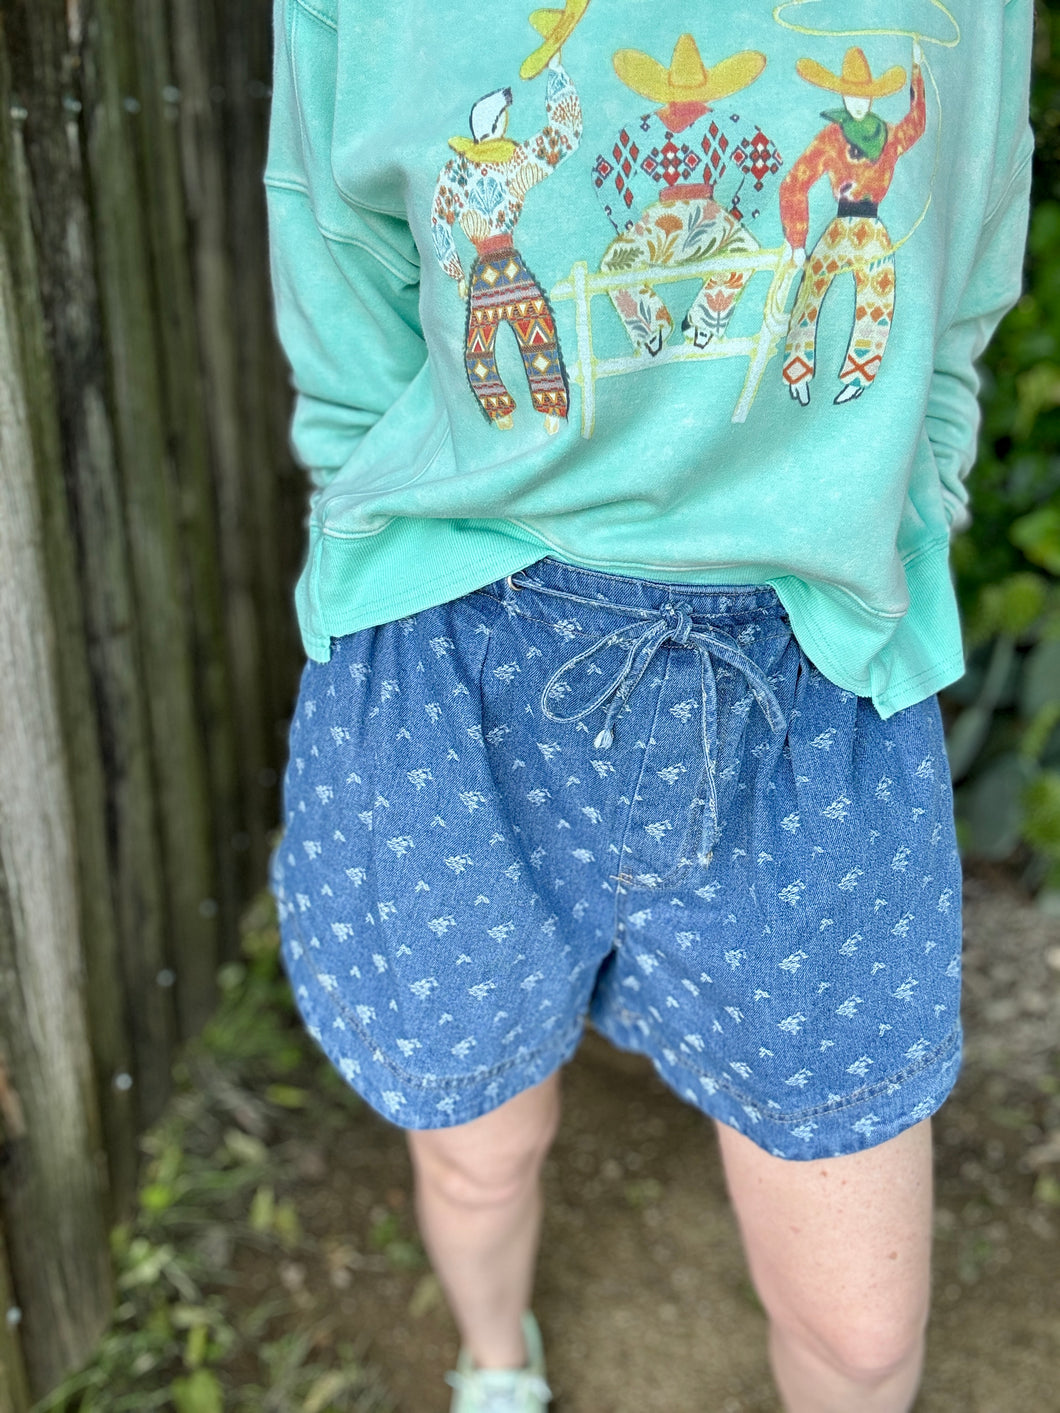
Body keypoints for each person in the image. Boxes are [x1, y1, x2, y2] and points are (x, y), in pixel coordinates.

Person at [263, 1, 1034, 1409]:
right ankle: (496, 1364)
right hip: (463, 662)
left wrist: (907, 501)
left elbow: (966, 250)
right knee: (478, 1146)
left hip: (810, 681)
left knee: (865, 1330)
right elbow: (342, 275)